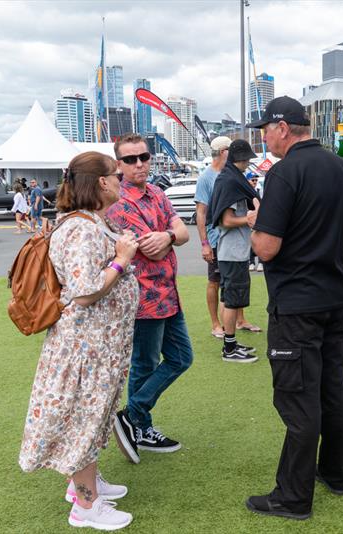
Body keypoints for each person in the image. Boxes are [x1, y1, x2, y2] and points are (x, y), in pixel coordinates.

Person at [244, 96, 343, 520]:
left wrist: (258, 220)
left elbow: (267, 247)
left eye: (265, 129)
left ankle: (292, 498)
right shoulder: (341, 168)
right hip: (335, 297)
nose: (263, 137)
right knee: (332, 386)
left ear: (282, 128)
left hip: (297, 303)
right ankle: (335, 472)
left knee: (298, 398)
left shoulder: (284, 173)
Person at [19, 151, 139, 531]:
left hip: (98, 346)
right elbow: (85, 291)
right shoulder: (81, 228)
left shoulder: (90, 222)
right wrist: (121, 259)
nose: (122, 179)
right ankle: (85, 506)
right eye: (116, 174)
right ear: (101, 182)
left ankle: (86, 485)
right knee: (84, 421)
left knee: (93, 416)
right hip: (86, 349)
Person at [107, 133, 193, 463]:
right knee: (145, 364)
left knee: (181, 358)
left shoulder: (156, 192)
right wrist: (170, 236)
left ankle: (133, 415)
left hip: (168, 294)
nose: (140, 163)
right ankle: (140, 425)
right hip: (142, 297)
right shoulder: (119, 202)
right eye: (130, 159)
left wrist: (169, 235)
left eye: (144, 156)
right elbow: (151, 249)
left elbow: (181, 233)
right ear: (119, 164)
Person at [194, 136, 261, 338]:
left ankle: (239, 321)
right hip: (219, 240)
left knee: (233, 287)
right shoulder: (209, 178)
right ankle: (218, 327)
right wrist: (205, 243)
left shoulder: (232, 175)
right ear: (224, 152)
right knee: (218, 283)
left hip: (235, 243)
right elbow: (203, 213)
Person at [247, 173, 263, 272]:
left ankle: (261, 262)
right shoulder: (245, 191)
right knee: (250, 241)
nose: (254, 182)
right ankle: (251, 262)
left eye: (256, 180)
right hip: (248, 218)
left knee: (260, 240)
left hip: (259, 218)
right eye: (252, 180)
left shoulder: (259, 190)